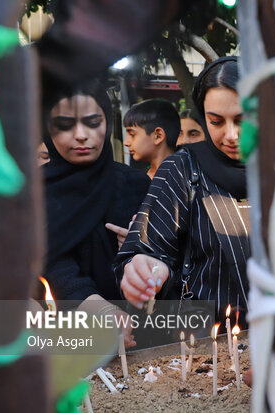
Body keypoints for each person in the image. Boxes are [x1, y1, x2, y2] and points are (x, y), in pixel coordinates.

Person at [114, 57, 250, 326]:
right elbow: (146, 250)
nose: (231, 135)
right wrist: (146, 270)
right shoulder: (182, 167)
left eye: (242, 119)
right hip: (209, 346)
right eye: (216, 122)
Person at [42, 81, 150, 346]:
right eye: (65, 124)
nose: (80, 135)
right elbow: (49, 259)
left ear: (106, 123)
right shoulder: (31, 191)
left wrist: (143, 251)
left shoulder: (136, 184)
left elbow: (170, 258)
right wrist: (93, 305)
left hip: (139, 333)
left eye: (92, 122)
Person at [123, 99, 181, 179]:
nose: (126, 142)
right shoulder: (138, 180)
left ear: (158, 136)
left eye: (132, 134)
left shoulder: (184, 180)